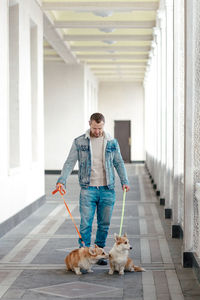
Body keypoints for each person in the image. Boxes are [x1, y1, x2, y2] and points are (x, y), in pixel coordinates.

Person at [56, 112, 130, 265]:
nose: (97, 131)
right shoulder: (79, 142)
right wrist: (61, 181)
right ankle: (84, 254)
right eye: (95, 128)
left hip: (107, 189)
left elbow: (119, 163)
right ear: (89, 123)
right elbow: (69, 163)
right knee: (85, 223)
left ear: (103, 125)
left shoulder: (112, 142)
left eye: (100, 128)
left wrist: (125, 180)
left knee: (104, 224)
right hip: (88, 189)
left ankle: (100, 252)